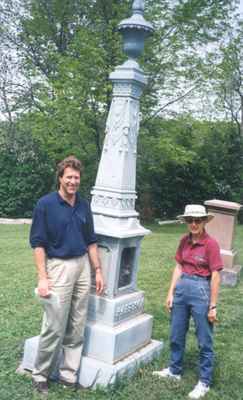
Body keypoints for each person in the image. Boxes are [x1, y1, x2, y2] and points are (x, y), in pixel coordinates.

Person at [30, 155, 104, 396]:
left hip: (83, 266)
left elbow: (91, 241)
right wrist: (43, 277)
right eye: (69, 177)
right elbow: (38, 244)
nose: (73, 181)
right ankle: (40, 374)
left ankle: (68, 374)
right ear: (60, 178)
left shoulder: (84, 205)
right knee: (54, 324)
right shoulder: (45, 204)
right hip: (58, 267)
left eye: (77, 177)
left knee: (77, 323)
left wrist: (98, 271)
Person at [153, 204, 223, 399]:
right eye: (190, 220)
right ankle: (174, 370)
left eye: (197, 220)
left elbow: (216, 276)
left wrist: (213, 305)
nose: (193, 223)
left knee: (204, 340)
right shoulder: (184, 241)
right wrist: (170, 293)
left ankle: (204, 382)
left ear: (203, 222)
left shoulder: (211, 244)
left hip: (202, 290)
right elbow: (178, 267)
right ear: (186, 221)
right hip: (182, 288)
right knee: (176, 334)